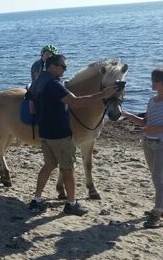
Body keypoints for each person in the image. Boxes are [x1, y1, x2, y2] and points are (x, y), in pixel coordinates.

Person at [28, 54, 118, 216]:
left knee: (48, 166)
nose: (65, 70)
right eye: (63, 67)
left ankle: (37, 199)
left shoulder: (39, 81)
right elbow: (76, 102)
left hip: (45, 132)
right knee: (68, 170)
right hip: (60, 134)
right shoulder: (54, 85)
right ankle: (71, 204)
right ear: (53, 66)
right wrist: (102, 94)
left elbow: (31, 106)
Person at [121, 68, 163, 228]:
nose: (152, 83)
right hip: (148, 142)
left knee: (158, 178)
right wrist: (128, 115)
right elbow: (145, 123)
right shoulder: (152, 100)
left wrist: (157, 130)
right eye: (152, 79)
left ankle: (157, 213)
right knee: (156, 176)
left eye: (156, 80)